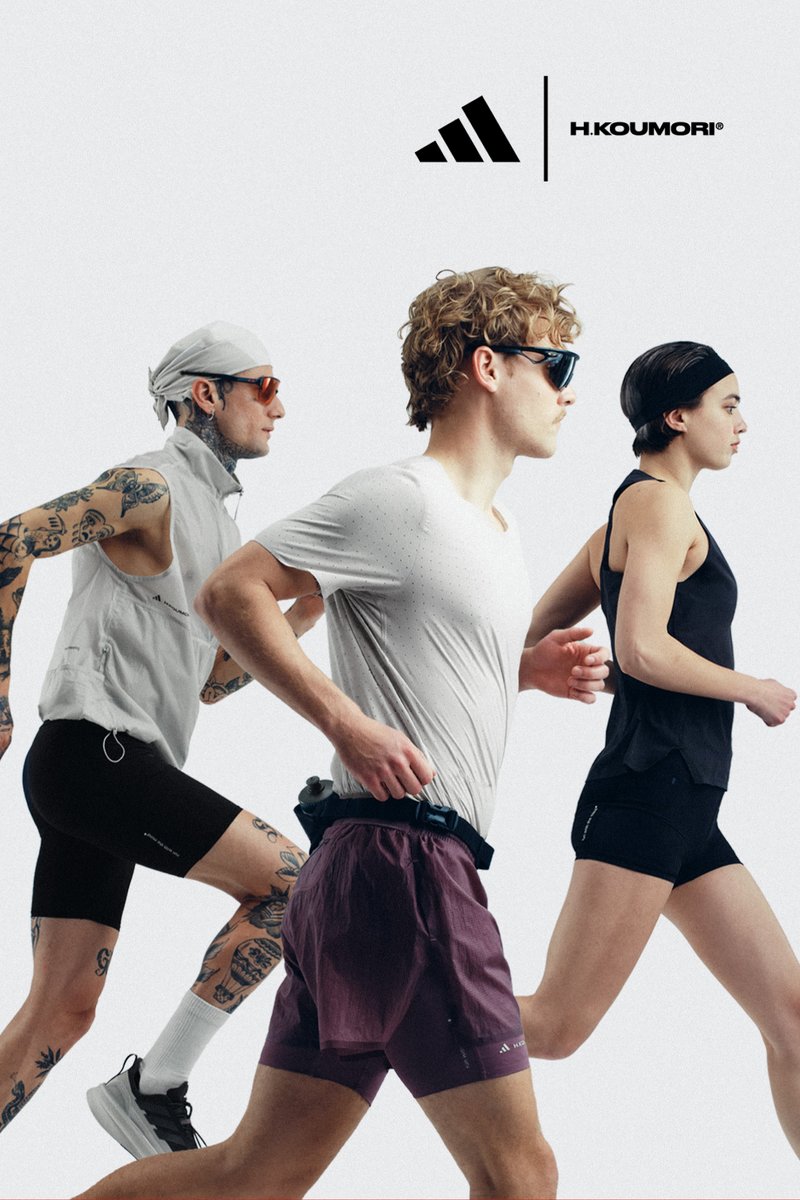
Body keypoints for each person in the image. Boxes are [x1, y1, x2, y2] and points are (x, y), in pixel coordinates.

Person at [77, 265, 610, 1200]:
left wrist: (515, 673)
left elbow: (420, 664)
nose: (569, 389)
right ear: (487, 365)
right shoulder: (398, 499)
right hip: (408, 870)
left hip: (359, 878)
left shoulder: (494, 525)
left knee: (254, 1176)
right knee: (521, 1179)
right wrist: (347, 723)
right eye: (554, 362)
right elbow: (232, 592)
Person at [0, 321, 320, 1157]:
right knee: (295, 883)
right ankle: (155, 1088)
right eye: (264, 386)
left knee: (62, 1010)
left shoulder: (217, 526)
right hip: (96, 757)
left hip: (103, 768)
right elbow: (10, 540)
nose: (280, 406)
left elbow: (210, 681)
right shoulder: (147, 486)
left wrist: (310, 605)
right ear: (205, 395)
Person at [514, 341, 800, 1157]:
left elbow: (534, 634)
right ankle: (371, 994)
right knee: (558, 1027)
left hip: (687, 807)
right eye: (729, 404)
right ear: (678, 416)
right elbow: (641, 647)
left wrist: (597, 677)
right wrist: (752, 687)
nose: (742, 423)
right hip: (649, 795)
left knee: (793, 1017)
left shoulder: (631, 512)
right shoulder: (658, 505)